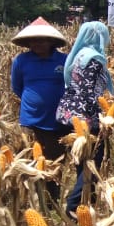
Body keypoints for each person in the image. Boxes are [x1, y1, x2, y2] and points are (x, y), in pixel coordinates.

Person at [56, 21, 114, 217]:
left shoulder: (78, 55)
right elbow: (88, 91)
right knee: (93, 162)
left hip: (70, 113)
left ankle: (88, 201)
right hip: (86, 117)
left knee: (83, 162)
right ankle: (74, 206)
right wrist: (96, 117)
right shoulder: (94, 59)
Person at [10, 17, 69, 203]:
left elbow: (71, 86)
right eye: (33, 40)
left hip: (58, 120)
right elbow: (16, 87)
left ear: (51, 41)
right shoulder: (21, 61)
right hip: (32, 120)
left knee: (55, 160)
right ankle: (34, 198)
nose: (37, 43)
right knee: (32, 159)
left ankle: (52, 200)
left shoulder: (64, 60)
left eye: (41, 40)